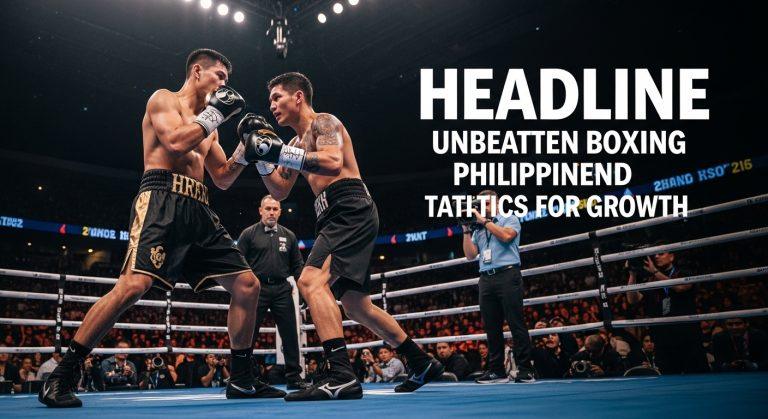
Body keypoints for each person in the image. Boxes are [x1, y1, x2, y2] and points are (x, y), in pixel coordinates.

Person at [38, 48, 285, 408]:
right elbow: (174, 142)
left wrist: (248, 153)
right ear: (197, 71)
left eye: (227, 81)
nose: (224, 85)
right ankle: (62, 374)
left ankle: (243, 380)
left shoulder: (209, 126)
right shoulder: (163, 100)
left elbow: (222, 178)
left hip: (200, 207)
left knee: (248, 285)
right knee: (134, 285)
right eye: (219, 76)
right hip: (161, 198)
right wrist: (215, 114)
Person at [238, 72, 443, 401]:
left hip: (349, 206)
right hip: (331, 214)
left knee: (310, 282)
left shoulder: (324, 123)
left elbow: (333, 163)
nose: (272, 104)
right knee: (355, 305)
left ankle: (342, 376)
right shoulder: (292, 143)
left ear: (298, 97)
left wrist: (277, 153)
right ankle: (420, 362)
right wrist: (262, 159)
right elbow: (280, 189)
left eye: (278, 97)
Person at [461, 190, 536, 384]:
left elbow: (505, 236)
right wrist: (466, 230)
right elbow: (470, 255)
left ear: (497, 203)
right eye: (480, 205)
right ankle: (497, 371)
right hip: (486, 278)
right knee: (491, 326)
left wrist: (484, 221)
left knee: (515, 322)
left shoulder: (509, 218)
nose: (483, 208)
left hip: (507, 274)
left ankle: (525, 369)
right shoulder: (478, 229)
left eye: (487, 204)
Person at [237, 194, 307, 390]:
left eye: (275, 209)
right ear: (260, 210)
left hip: (282, 288)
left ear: (280, 212)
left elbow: (298, 267)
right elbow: (238, 264)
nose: (271, 212)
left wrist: (305, 292)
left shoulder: (289, 236)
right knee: (248, 332)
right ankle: (244, 375)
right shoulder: (248, 234)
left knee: (290, 333)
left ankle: (294, 376)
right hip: (257, 290)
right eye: (267, 208)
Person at [625, 247, 709, 374]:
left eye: (661, 253)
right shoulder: (651, 280)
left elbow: (681, 287)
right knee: (669, 378)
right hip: (662, 338)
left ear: (672, 256)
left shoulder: (683, 272)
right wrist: (632, 274)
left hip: (687, 334)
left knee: (698, 374)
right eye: (655, 254)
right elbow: (633, 299)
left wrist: (655, 272)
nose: (657, 257)